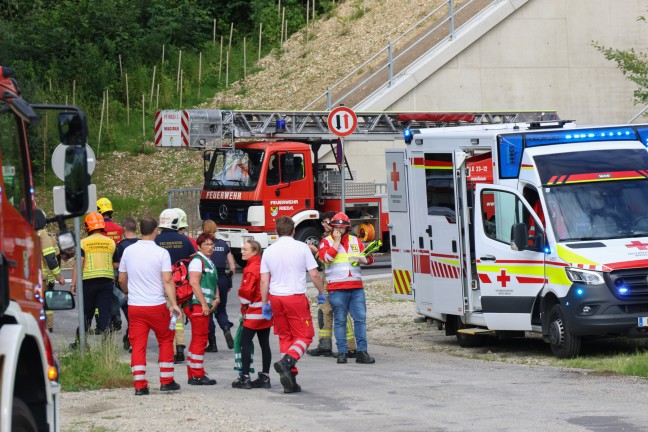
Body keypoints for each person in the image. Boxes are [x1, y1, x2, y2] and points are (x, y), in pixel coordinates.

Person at [260, 216, 326, 393]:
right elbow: (314, 275)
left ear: (276, 232)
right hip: (294, 296)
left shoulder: (269, 251)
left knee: (285, 336)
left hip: (275, 297)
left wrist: (265, 302)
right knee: (305, 335)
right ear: (294, 231)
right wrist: (322, 292)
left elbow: (264, 280)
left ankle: (290, 377)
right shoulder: (302, 247)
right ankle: (288, 361)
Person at [118, 216, 182, 396]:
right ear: (155, 231)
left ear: (140, 230)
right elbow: (167, 280)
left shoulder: (129, 251)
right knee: (165, 338)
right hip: (155, 305)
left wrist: (128, 292)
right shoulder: (161, 253)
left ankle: (139, 385)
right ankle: (166, 381)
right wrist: (174, 303)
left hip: (135, 306)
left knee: (138, 344)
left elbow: (122, 278)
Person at [318, 212, 376, 365]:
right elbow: (326, 259)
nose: (338, 229)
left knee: (360, 320)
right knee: (340, 321)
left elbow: (370, 258)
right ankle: (342, 352)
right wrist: (336, 243)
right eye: (336, 226)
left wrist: (365, 259)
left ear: (347, 228)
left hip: (356, 287)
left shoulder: (355, 241)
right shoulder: (326, 242)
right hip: (337, 288)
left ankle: (362, 352)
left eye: (341, 227)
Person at [307, 211, 357, 358]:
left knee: (341, 313)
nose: (324, 224)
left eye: (326, 221)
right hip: (327, 281)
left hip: (338, 282)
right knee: (324, 312)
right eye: (323, 222)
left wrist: (316, 252)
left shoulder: (341, 240)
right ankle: (324, 345)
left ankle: (350, 347)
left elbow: (326, 260)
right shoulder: (326, 238)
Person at [155, 208, 196, 363]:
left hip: (164, 284)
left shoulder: (157, 241)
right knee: (179, 316)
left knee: (168, 317)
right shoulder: (185, 240)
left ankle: (170, 350)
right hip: (182, 285)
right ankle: (180, 347)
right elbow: (193, 262)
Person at [232, 240, 272, 389]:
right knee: (264, 343)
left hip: (254, 310)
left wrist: (244, 306)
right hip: (266, 310)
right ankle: (265, 376)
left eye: (245, 249)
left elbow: (246, 294)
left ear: (254, 251)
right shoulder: (263, 265)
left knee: (244, 342)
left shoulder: (250, 269)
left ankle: (245, 377)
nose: (242, 251)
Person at [70, 212, 116, 344]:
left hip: (89, 282)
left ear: (87, 226)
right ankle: (107, 345)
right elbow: (116, 263)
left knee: (86, 313)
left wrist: (73, 284)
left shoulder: (83, 243)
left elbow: (79, 264)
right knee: (105, 312)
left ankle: (80, 343)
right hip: (106, 281)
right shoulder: (111, 243)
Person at [184, 232, 220, 385]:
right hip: (197, 305)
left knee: (197, 339)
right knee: (200, 340)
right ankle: (197, 374)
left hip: (201, 305)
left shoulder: (208, 262)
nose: (210, 247)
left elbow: (213, 283)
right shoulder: (198, 261)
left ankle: (193, 373)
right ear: (199, 246)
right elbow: (194, 283)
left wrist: (217, 298)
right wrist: (205, 304)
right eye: (206, 244)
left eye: (212, 244)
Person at [202, 219, 236, 352]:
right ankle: (226, 328)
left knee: (208, 312)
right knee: (221, 310)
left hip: (208, 279)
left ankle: (212, 343)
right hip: (222, 278)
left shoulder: (203, 245)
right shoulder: (223, 244)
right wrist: (229, 281)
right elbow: (232, 266)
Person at [97, 197, 124, 332]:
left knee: (107, 294)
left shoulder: (100, 229)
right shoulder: (118, 229)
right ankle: (117, 316)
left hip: (104, 264)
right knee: (116, 292)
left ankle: (108, 320)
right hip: (117, 264)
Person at [113, 217, 139, 351]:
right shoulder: (142, 244)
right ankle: (130, 338)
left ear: (123, 229)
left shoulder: (120, 246)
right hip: (141, 285)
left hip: (126, 286)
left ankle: (131, 339)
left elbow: (115, 265)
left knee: (131, 316)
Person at [38, 218, 66, 333]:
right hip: (44, 276)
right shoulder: (45, 235)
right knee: (46, 301)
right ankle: (49, 326)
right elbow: (54, 257)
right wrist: (58, 275)